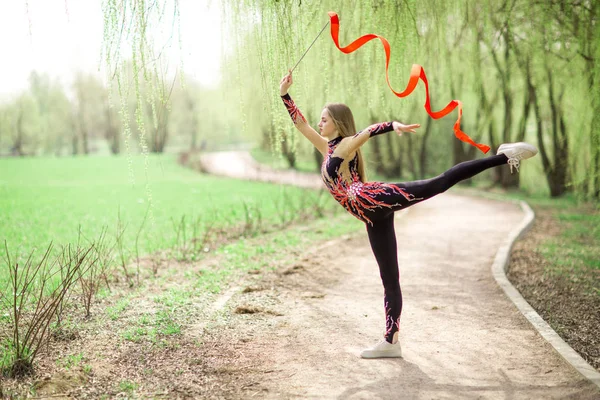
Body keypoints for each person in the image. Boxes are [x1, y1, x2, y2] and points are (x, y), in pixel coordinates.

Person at [279, 71, 537, 359]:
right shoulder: (326, 149)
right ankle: (391, 341)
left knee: (437, 183)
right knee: (389, 277)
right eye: (320, 119)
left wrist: (392, 125)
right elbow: (300, 124)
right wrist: (285, 94)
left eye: (324, 119)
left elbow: (368, 132)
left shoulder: (344, 145)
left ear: (337, 123)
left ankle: (504, 156)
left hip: (373, 198)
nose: (319, 123)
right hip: (371, 216)